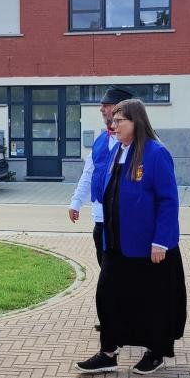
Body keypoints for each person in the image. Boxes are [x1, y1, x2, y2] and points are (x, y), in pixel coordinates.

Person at [75, 98, 186, 375]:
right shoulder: (117, 150)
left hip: (147, 246)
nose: (113, 125)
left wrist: (160, 241)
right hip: (116, 242)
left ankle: (156, 351)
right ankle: (108, 352)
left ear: (136, 121)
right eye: (112, 120)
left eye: (119, 120)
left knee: (151, 301)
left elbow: (168, 201)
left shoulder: (155, 153)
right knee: (107, 295)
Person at [67, 86, 128, 329]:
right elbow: (88, 173)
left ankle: (125, 316)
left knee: (122, 271)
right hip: (100, 218)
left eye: (107, 105)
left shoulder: (132, 143)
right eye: (102, 105)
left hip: (122, 220)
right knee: (106, 269)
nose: (102, 109)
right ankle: (112, 316)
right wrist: (76, 202)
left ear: (122, 108)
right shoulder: (101, 140)